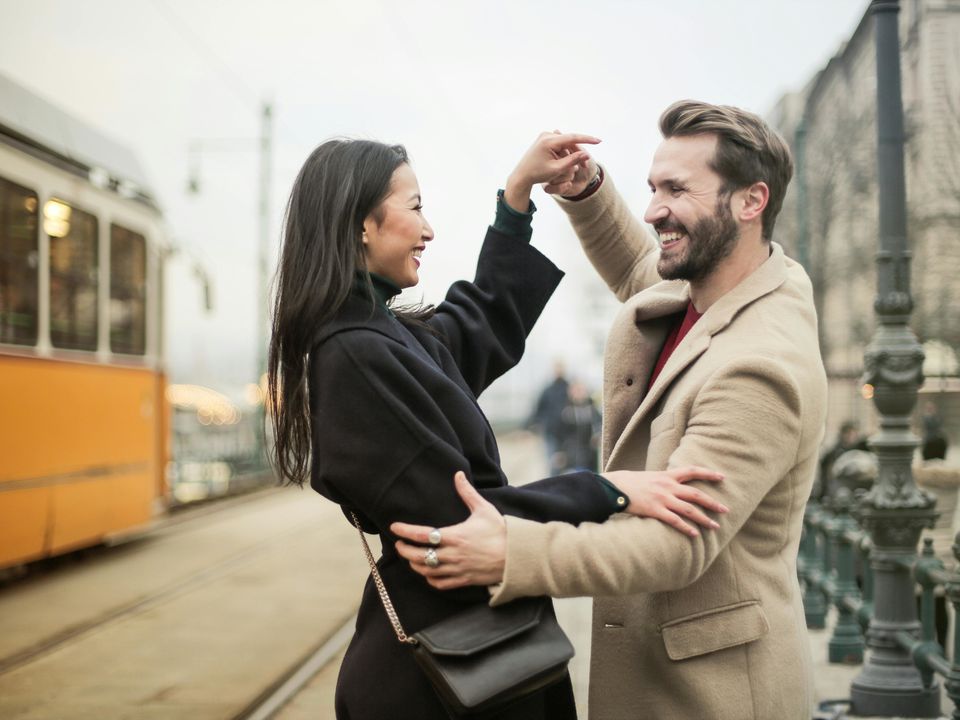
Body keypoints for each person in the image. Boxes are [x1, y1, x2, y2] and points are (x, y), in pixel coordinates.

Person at [266, 135, 729, 720]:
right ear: (362, 224)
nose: (428, 229)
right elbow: (462, 520)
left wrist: (516, 200)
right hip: (448, 672)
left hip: (470, 650)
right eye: (414, 208)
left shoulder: (382, 334)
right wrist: (609, 488)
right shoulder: (356, 353)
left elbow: (479, 320)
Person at [393, 100, 828, 720]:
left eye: (677, 189)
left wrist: (511, 553)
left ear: (750, 201)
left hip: (715, 695)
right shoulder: (716, 281)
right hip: (666, 675)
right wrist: (586, 190)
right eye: (653, 187)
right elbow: (637, 268)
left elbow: (676, 544)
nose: (653, 210)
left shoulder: (759, 365)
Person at [527, 361, 570, 475]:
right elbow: (538, 409)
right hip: (550, 431)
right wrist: (528, 425)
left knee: (567, 462)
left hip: (567, 433)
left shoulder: (569, 388)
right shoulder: (548, 390)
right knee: (553, 462)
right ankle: (555, 486)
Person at [556, 380, 602, 473]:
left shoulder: (592, 410)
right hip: (571, 458)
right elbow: (560, 434)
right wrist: (560, 452)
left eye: (581, 390)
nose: (579, 393)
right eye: (576, 391)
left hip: (590, 457)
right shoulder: (566, 412)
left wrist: (598, 436)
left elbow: (599, 425)